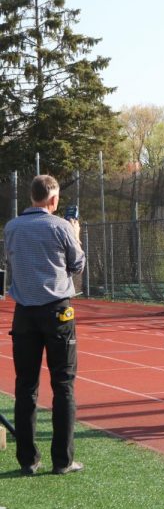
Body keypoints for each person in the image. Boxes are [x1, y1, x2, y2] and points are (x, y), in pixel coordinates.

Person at [4, 175, 85, 475]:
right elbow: (77, 265)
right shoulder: (61, 226)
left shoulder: (11, 227)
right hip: (57, 312)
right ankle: (62, 461)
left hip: (24, 313)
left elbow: (12, 262)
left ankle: (28, 460)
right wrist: (75, 235)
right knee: (63, 385)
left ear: (31, 196)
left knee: (26, 387)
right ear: (53, 200)